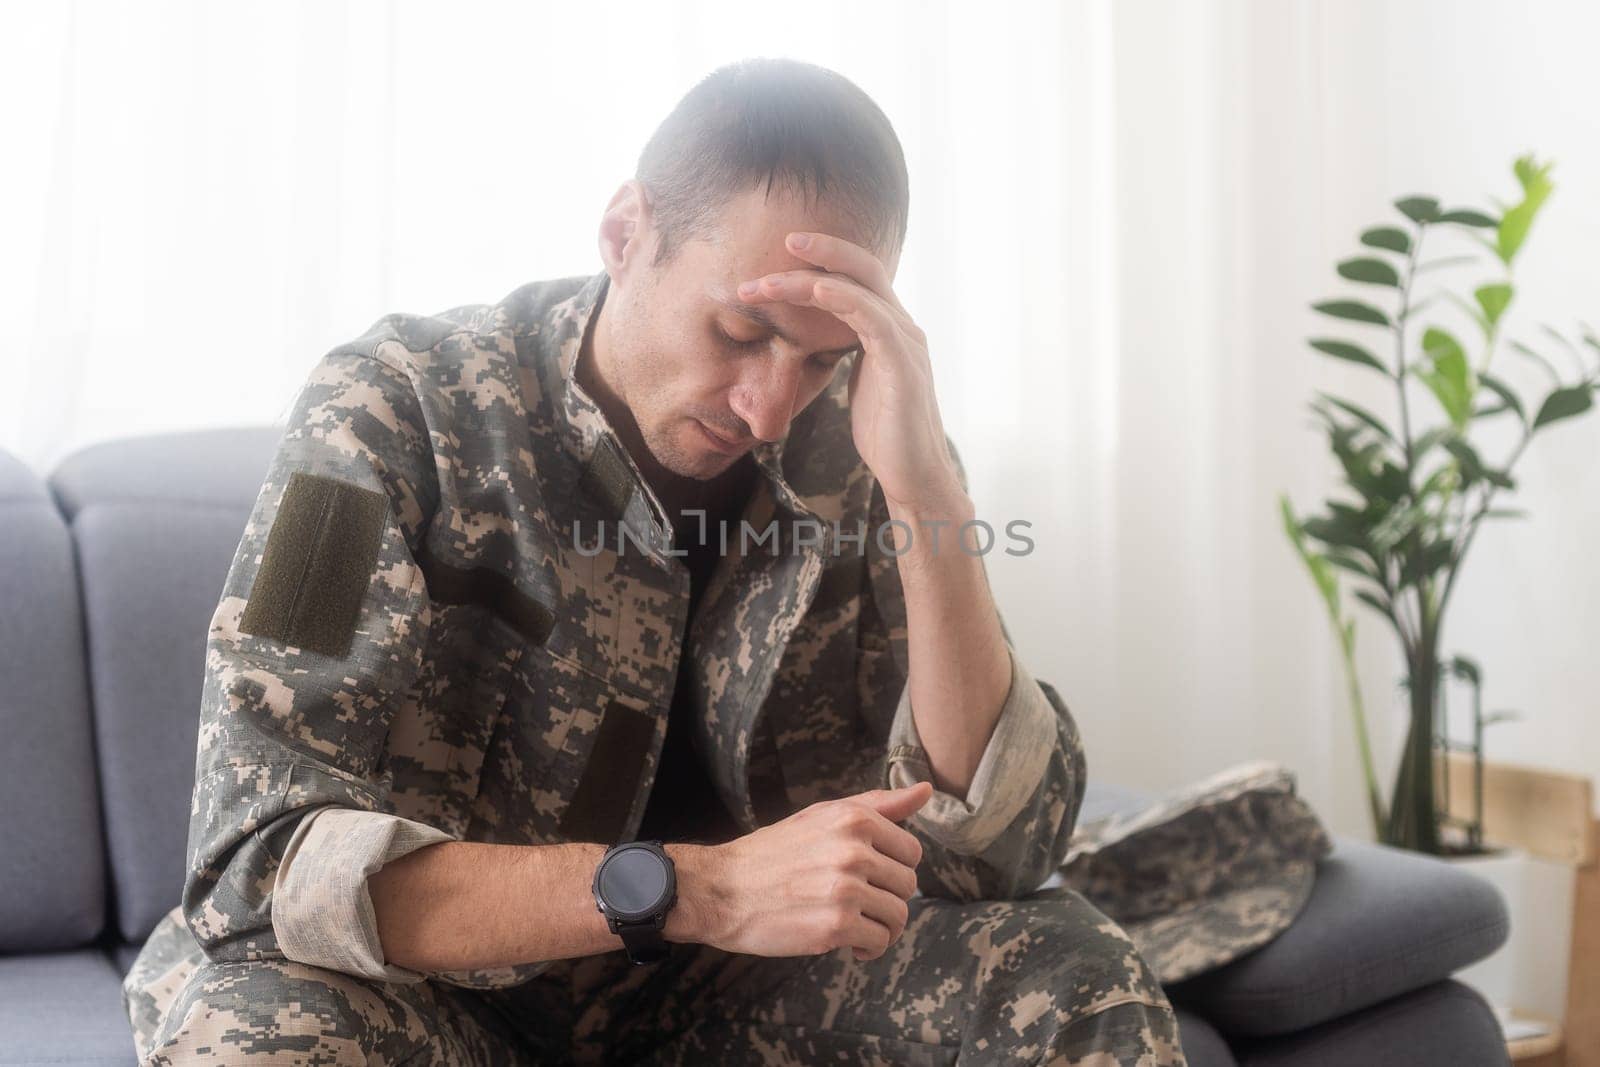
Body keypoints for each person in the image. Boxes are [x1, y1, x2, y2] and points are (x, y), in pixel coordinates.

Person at [123, 57, 1184, 1065]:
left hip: (730, 997)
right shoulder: (380, 410)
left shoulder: (860, 446)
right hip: (438, 993)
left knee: (1069, 975)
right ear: (627, 232)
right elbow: (263, 860)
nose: (771, 404)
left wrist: (926, 493)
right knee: (256, 1034)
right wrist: (696, 886)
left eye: (823, 357)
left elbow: (998, 848)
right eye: (740, 329)